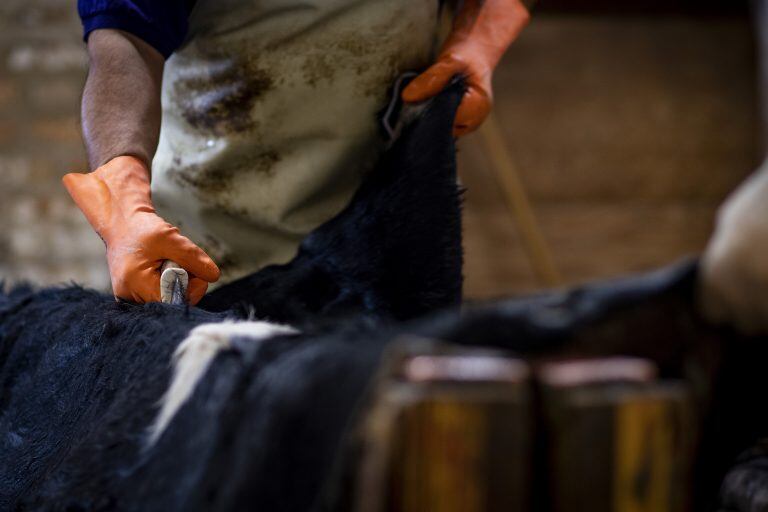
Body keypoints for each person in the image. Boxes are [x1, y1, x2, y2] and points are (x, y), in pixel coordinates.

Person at [62, 0, 531, 305]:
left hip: (392, 233)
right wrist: (123, 192)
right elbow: (125, 41)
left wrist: (481, 36)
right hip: (220, 253)